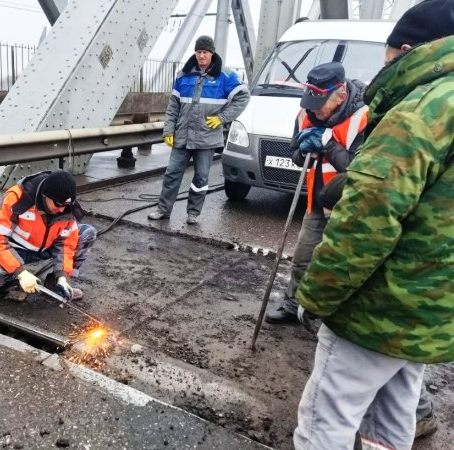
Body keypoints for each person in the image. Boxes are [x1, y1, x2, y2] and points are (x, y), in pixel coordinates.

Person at [293, 0, 454, 448]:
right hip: (432, 300)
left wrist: (319, 296)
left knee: (325, 420)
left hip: (382, 303)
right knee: (390, 418)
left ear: (404, 49)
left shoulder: (419, 110)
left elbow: (369, 218)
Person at [265, 61, 368, 324]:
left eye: (319, 104)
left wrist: (328, 142)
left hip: (347, 206)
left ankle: (331, 318)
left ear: (341, 95)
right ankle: (293, 305)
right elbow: (297, 156)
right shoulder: (306, 113)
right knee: (302, 257)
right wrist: (303, 148)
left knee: (337, 264)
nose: (314, 110)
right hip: (315, 199)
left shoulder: (365, 117)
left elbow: (357, 168)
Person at [148, 35, 249, 225]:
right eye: (199, 52)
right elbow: (173, 107)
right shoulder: (183, 75)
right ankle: (163, 209)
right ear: (195, 53)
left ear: (212, 53)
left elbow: (243, 97)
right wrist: (168, 131)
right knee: (172, 173)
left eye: (205, 52)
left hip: (207, 138)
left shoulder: (225, 77)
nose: (201, 56)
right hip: (183, 135)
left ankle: (193, 213)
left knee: (201, 177)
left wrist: (222, 118)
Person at [0, 170, 97, 302]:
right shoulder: (17, 198)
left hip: (46, 248)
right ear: (45, 196)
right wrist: (21, 273)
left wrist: (62, 276)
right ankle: (17, 285)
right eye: (58, 204)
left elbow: (66, 244)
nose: (61, 209)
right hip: (17, 250)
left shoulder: (66, 208)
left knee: (87, 233)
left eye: (66, 206)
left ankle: (56, 285)